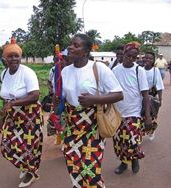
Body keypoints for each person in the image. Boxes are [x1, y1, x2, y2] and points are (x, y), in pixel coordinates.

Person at [61, 34, 123, 187]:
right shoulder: (65, 71)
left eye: (76, 45)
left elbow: (118, 94)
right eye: (70, 44)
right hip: (72, 127)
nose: (70, 47)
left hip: (92, 127)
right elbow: (65, 98)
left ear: (86, 51)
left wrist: (94, 100)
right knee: (74, 165)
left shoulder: (98, 68)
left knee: (90, 169)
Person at [0, 37, 43, 188]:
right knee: (7, 145)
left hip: (30, 115)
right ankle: (25, 166)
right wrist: (1, 120)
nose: (14, 59)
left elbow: (35, 95)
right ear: (4, 58)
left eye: (16, 56)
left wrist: (13, 103)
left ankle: (31, 173)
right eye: (10, 56)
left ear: (20, 57)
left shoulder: (28, 73)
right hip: (12, 116)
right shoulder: (4, 74)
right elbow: (5, 98)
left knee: (29, 146)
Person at [112, 42, 151, 175]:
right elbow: (110, 90)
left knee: (133, 140)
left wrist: (148, 116)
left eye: (134, 57)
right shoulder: (115, 70)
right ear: (124, 54)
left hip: (133, 112)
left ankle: (134, 159)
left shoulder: (138, 70)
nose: (131, 59)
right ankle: (123, 163)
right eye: (129, 56)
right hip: (118, 112)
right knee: (119, 141)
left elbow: (145, 95)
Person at [142, 52, 164, 140]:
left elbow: (159, 86)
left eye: (150, 58)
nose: (147, 60)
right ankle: (141, 133)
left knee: (151, 115)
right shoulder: (140, 70)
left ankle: (152, 130)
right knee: (141, 114)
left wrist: (160, 99)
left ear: (153, 61)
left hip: (151, 96)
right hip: (141, 96)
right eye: (146, 58)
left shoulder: (155, 71)